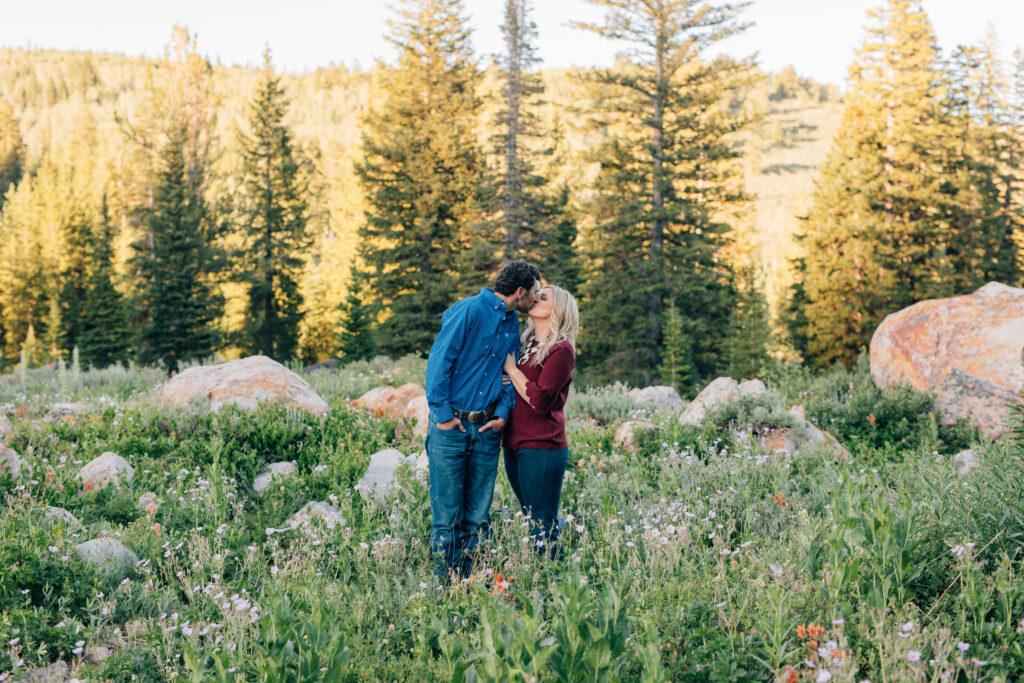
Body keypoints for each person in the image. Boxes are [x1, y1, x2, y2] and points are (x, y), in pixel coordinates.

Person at [424, 260, 541, 582]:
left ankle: (473, 585)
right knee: (447, 517)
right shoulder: (469, 311)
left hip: (488, 430)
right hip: (451, 430)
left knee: (478, 517)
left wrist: (503, 414)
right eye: (535, 293)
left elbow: (508, 373)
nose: (537, 299)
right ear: (520, 292)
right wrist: (445, 418)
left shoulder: (510, 323)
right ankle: (445, 588)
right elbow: (437, 367)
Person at [501, 284, 579, 558]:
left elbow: (540, 400)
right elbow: (518, 387)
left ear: (557, 310)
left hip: (541, 447)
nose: (535, 298)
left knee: (542, 525)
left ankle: (552, 582)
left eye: (543, 297)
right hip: (513, 444)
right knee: (532, 520)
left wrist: (512, 371)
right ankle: (543, 576)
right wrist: (510, 379)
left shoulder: (561, 349)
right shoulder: (524, 343)